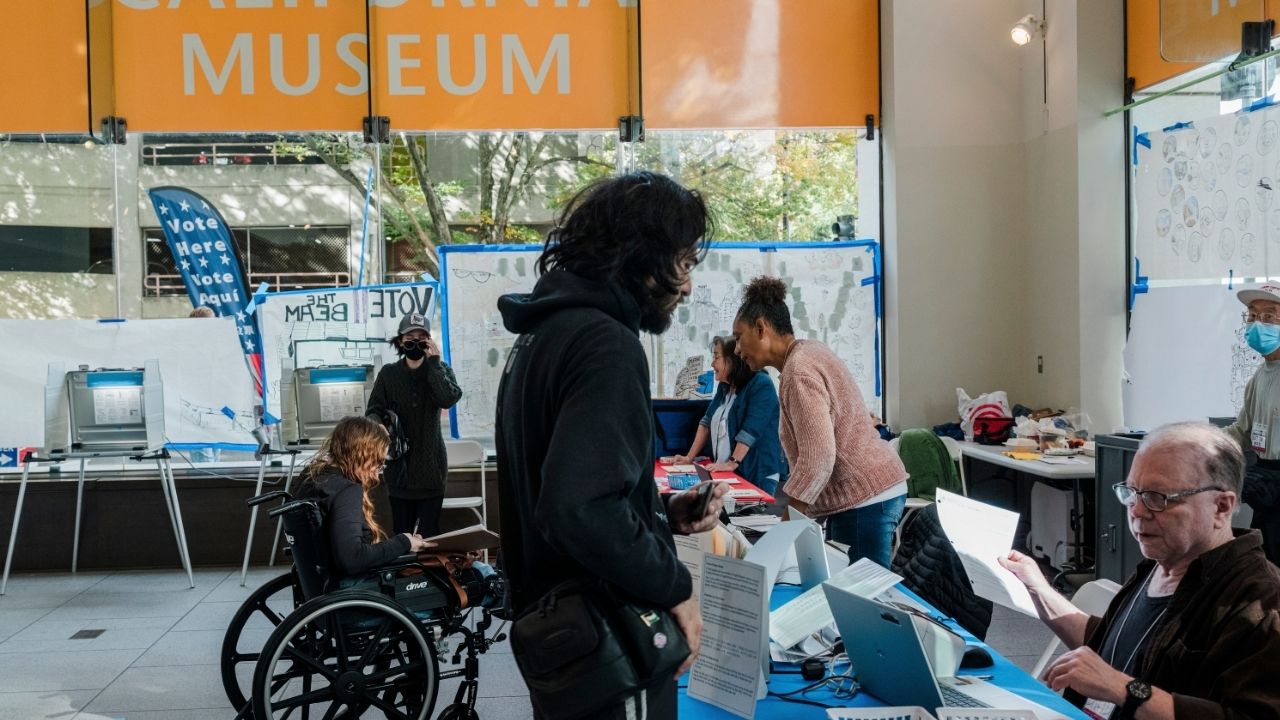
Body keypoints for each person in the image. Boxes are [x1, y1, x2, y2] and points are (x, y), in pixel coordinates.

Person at [495, 171, 728, 720]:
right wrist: (676, 586)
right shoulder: (606, 344)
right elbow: (577, 507)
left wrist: (659, 513)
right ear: (642, 259)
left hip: (563, 641)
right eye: (684, 263)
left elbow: (561, 488)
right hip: (609, 638)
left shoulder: (542, 336)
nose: (688, 285)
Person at [1000, 423, 1280, 720]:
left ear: (1221, 507)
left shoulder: (1260, 599)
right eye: (1132, 492)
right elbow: (1113, 647)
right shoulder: (1160, 564)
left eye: (1159, 498)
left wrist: (1126, 689)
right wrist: (1038, 589)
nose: (1136, 511)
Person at [732, 276, 907, 568]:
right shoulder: (808, 352)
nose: (736, 349)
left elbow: (817, 461)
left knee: (860, 604)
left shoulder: (799, 370)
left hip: (865, 497)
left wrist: (781, 536)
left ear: (761, 328)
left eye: (738, 336)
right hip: (861, 495)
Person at [295, 416, 433, 579]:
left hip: (318, 580)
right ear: (362, 455)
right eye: (378, 462)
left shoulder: (311, 476)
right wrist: (405, 542)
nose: (377, 472)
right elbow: (352, 558)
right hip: (353, 586)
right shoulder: (346, 491)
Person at [366, 312, 463, 538]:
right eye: (410, 337)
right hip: (398, 470)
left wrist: (435, 363)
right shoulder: (389, 373)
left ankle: (429, 575)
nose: (416, 342)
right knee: (402, 536)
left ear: (429, 341)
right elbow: (373, 410)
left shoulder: (439, 369)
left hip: (432, 468)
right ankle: (406, 574)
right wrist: (379, 425)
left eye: (422, 337)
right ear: (400, 340)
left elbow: (448, 398)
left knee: (430, 535)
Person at [673, 335, 785, 495]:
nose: (712, 364)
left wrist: (732, 463)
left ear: (733, 359)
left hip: (757, 470)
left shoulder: (762, 384)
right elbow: (706, 423)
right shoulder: (725, 386)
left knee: (752, 516)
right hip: (729, 471)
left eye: (716, 357)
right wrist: (688, 457)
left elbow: (750, 431)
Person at [1225, 283, 1280, 565]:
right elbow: (1242, 433)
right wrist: (1198, 443)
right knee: (1266, 572)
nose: (1259, 324)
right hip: (1268, 491)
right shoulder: (1261, 376)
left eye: (1270, 316)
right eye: (1253, 316)